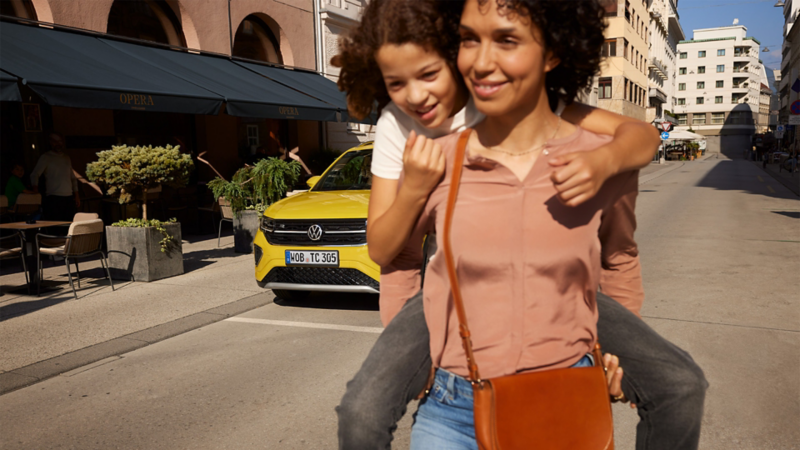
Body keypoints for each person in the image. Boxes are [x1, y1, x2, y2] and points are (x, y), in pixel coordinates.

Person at [333, 0, 707, 449]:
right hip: (455, 282)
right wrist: (410, 351)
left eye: (429, 75)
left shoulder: (510, 96)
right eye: (397, 83)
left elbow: (639, 136)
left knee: (681, 384)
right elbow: (390, 253)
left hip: (556, 281)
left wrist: (605, 161)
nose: (415, 96)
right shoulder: (405, 134)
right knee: (362, 409)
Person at [30, 132, 80, 221]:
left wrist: (76, 195)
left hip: (68, 196)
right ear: (50, 142)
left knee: (68, 223)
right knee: (56, 223)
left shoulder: (66, 158)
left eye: (60, 141)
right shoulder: (46, 157)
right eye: (55, 141)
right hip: (54, 196)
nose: (58, 144)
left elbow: (73, 178)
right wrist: (35, 190)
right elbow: (35, 174)